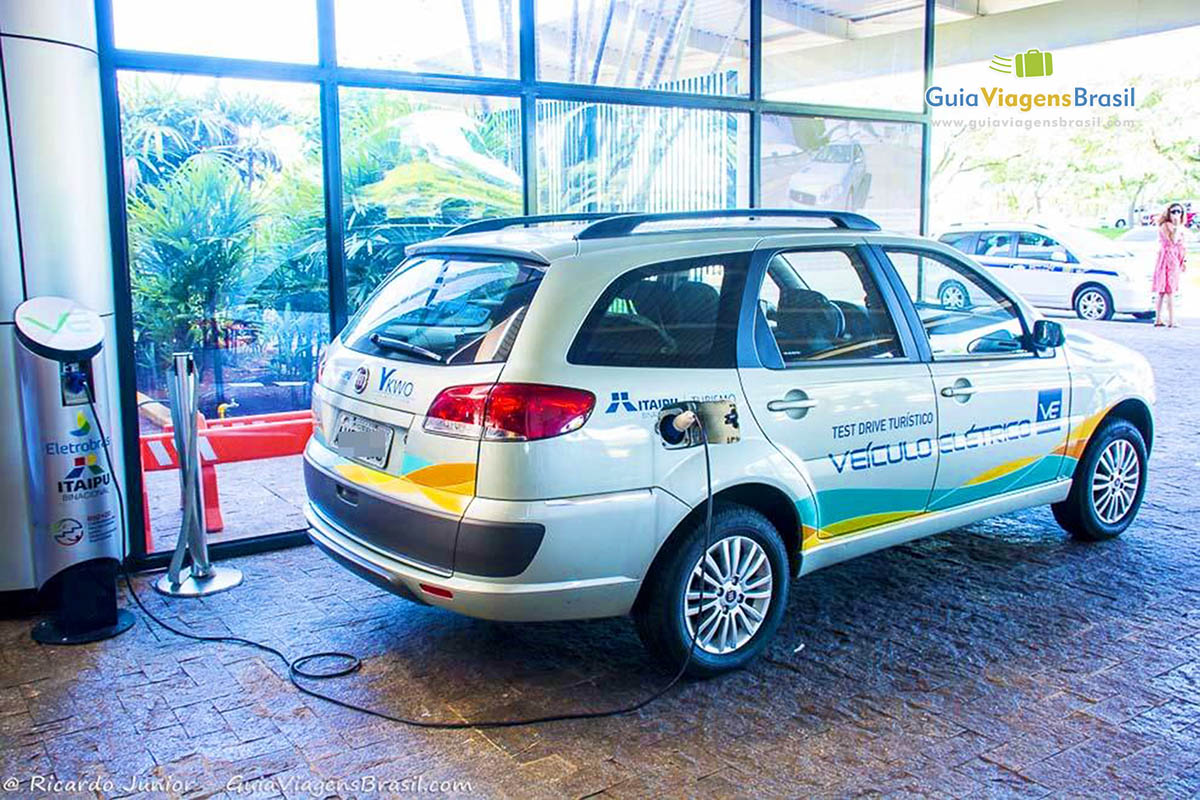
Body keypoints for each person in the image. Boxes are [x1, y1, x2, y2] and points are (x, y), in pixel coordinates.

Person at [1153, 203, 1188, 327]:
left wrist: (1183, 260)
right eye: (1173, 211)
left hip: (1174, 258)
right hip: (1167, 258)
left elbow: (1181, 246)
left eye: (1179, 211)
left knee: (1165, 291)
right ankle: (1171, 320)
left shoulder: (1177, 226)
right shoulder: (1166, 225)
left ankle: (1159, 319)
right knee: (1168, 290)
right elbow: (1173, 240)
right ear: (1168, 213)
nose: (1176, 214)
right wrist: (1177, 226)